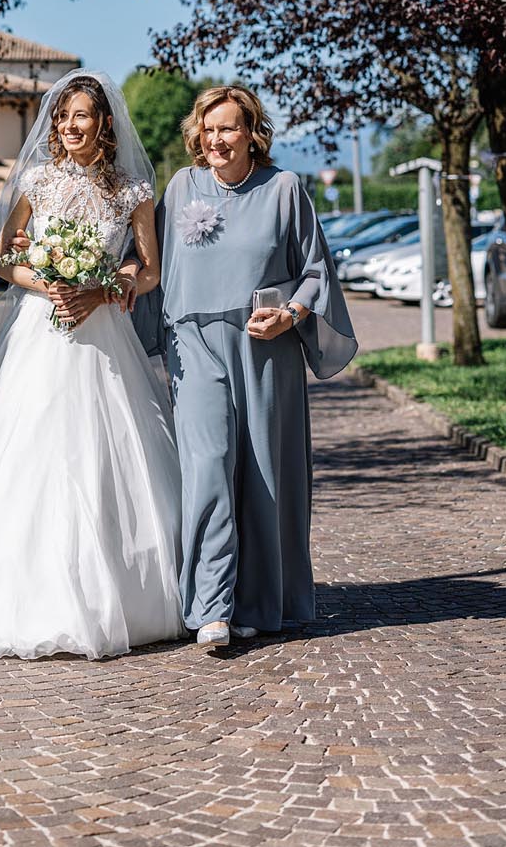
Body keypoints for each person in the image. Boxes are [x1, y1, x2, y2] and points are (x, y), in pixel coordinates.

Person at [0, 72, 182, 660]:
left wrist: (105, 289)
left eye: (80, 116)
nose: (69, 126)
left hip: (103, 337)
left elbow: (149, 270)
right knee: (27, 449)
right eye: (61, 117)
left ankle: (123, 597)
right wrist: (53, 285)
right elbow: (5, 259)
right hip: (41, 331)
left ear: (104, 122)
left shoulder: (132, 191)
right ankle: (10, 594)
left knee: (103, 453)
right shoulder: (36, 181)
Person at [152, 84, 357, 649]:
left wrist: (290, 315)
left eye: (228, 128)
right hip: (193, 343)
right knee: (209, 465)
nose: (217, 139)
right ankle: (211, 605)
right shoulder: (181, 187)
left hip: (265, 347)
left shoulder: (285, 189)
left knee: (266, 472)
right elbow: (151, 265)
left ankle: (262, 605)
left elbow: (316, 269)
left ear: (252, 133)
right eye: (208, 128)